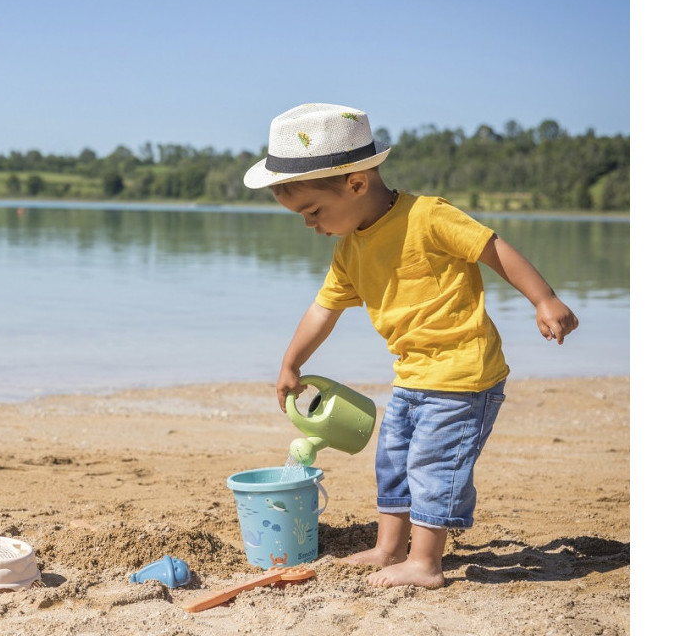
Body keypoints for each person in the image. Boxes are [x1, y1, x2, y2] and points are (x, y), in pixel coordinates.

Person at [243, 102, 579, 589]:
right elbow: (323, 309)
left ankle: (424, 563)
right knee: (393, 459)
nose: (308, 224)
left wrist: (544, 299)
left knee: (433, 465)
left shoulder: (428, 216)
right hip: (412, 375)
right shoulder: (350, 248)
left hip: (464, 373)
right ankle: (388, 549)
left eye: (313, 211)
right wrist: (291, 362)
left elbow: (492, 248)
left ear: (356, 183)